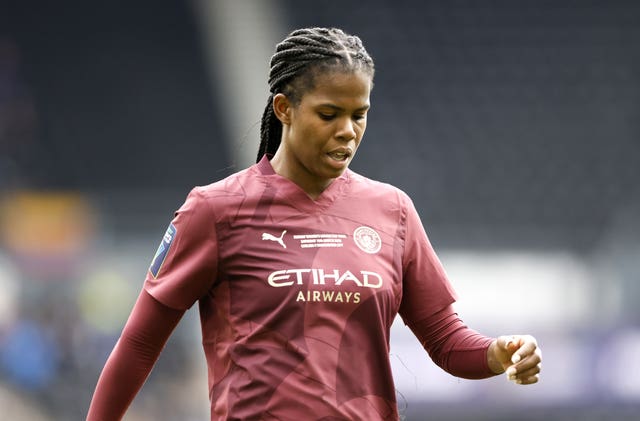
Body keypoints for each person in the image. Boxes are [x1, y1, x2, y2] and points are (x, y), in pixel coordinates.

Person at [86, 27, 542, 421]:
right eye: (329, 114)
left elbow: (444, 339)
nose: (347, 130)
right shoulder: (215, 210)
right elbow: (139, 345)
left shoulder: (392, 210)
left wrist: (496, 353)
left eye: (358, 114)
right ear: (284, 108)